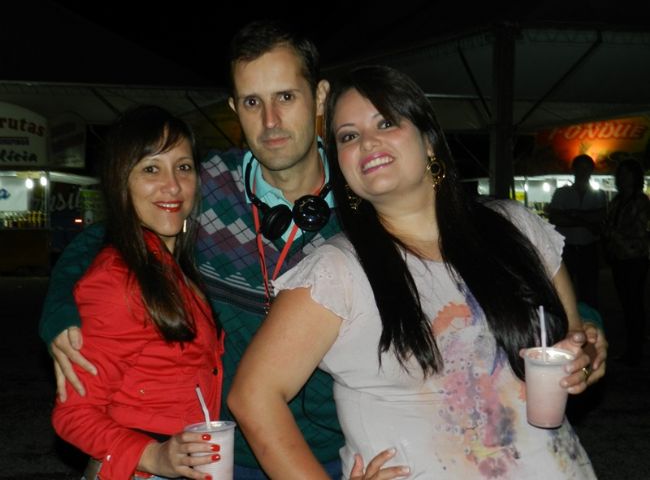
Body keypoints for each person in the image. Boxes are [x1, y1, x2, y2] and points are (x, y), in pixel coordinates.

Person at [228, 65, 604, 479]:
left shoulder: (516, 227)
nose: (367, 141)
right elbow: (253, 396)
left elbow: (573, 338)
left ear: (428, 140)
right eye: (348, 136)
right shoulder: (337, 271)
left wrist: (585, 358)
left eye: (386, 122)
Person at [40, 20, 344, 479]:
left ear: (319, 97)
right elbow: (107, 236)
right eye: (252, 102)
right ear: (234, 107)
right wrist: (59, 311)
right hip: (226, 455)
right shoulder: (204, 185)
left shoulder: (363, 201)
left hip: (334, 453)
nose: (270, 121)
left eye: (285, 96)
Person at [51, 105, 224, 480]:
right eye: (151, 169)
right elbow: (74, 414)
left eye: (183, 167)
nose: (173, 186)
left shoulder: (177, 267)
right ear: (122, 181)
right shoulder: (117, 281)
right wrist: (154, 456)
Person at [602, 158, 650, 366]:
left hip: (635, 257)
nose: (622, 177)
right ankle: (634, 342)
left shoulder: (640, 201)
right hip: (619, 257)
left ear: (635, 177)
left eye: (627, 173)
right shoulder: (617, 200)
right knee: (626, 302)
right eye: (620, 173)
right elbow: (607, 224)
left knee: (633, 302)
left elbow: (638, 230)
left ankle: (635, 347)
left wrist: (612, 233)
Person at [547, 154, 607, 310]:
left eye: (586, 168)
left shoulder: (599, 194)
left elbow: (600, 217)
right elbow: (556, 219)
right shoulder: (562, 192)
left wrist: (571, 214)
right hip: (565, 248)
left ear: (591, 170)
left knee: (590, 292)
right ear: (573, 169)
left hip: (589, 249)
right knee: (564, 291)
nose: (583, 171)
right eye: (580, 167)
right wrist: (587, 221)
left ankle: (591, 321)